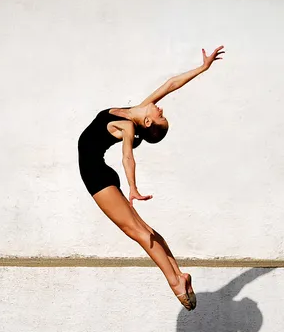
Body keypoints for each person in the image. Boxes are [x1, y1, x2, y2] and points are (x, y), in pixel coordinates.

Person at [77, 46, 225, 311]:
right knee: (143, 230)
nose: (160, 108)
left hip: (97, 177)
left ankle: (176, 284)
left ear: (147, 123)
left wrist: (132, 187)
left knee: (136, 231)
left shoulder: (128, 126)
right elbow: (171, 84)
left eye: (160, 116)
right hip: (101, 174)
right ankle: (179, 275)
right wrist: (202, 68)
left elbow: (127, 157)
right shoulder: (137, 110)